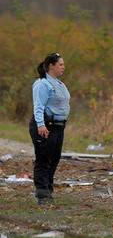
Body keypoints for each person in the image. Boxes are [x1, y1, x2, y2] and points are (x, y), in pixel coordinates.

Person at [28, 52, 70, 205]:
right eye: (60, 64)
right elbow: (38, 106)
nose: (63, 67)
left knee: (54, 158)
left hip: (58, 127)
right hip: (46, 126)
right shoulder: (42, 84)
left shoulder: (59, 83)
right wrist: (40, 124)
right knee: (43, 159)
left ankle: (48, 189)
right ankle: (42, 194)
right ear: (51, 66)